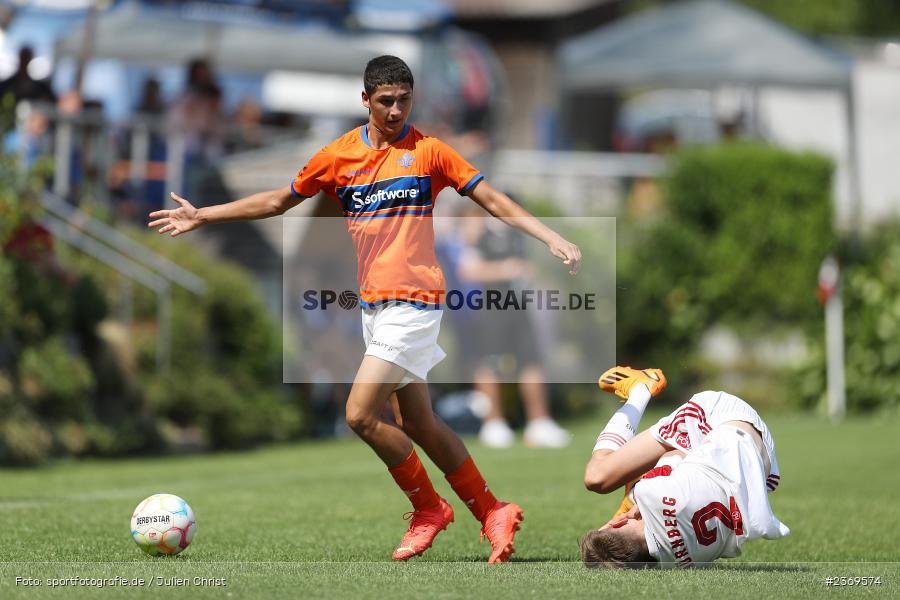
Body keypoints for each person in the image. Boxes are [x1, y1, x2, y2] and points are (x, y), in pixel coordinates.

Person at [148, 55, 582, 563]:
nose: (396, 110)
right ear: (365, 100)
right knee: (418, 423)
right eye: (386, 101)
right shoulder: (338, 157)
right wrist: (204, 215)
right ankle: (492, 510)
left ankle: (429, 510)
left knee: (358, 413)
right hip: (375, 309)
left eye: (404, 100)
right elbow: (276, 202)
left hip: (416, 302)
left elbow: (493, 199)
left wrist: (550, 235)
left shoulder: (430, 152)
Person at [580, 366, 789, 568]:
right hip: (722, 418)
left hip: (762, 471)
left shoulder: (681, 562)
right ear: (616, 524)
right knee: (598, 477)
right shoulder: (650, 493)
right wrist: (635, 498)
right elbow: (675, 453)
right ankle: (641, 388)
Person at [455, 204, 570, 448]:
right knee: (489, 363)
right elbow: (468, 270)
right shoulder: (478, 233)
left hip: (518, 308)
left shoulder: (517, 236)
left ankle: (539, 422)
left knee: (531, 360)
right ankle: (493, 423)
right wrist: (505, 269)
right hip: (490, 309)